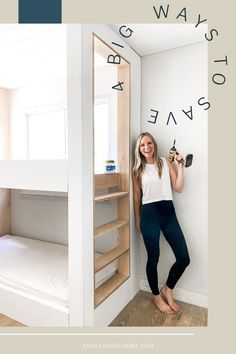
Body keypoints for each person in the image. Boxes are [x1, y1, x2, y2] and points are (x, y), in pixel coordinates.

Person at [133, 132, 190, 314]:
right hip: (149, 214)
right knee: (153, 259)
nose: (146, 147)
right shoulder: (137, 170)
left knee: (184, 258)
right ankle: (156, 296)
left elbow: (178, 188)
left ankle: (168, 289)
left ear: (154, 144)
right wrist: (138, 219)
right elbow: (136, 198)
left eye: (149, 143)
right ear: (139, 149)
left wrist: (181, 167)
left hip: (168, 212)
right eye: (142, 145)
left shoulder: (166, 162)